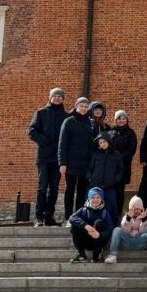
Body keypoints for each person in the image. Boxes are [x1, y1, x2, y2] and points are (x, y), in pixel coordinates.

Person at [28, 88, 68, 226]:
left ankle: (48, 215)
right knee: (43, 186)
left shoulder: (66, 117)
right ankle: (39, 216)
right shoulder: (41, 113)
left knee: (54, 188)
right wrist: (45, 142)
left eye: (60, 96)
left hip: (58, 158)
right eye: (55, 96)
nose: (57, 98)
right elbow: (32, 131)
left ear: (63, 99)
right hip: (44, 157)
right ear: (50, 97)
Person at [58, 96, 93, 224]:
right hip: (71, 163)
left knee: (82, 192)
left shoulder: (89, 123)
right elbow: (62, 144)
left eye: (86, 106)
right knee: (69, 190)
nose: (84, 108)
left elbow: (91, 145)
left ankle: (78, 217)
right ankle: (68, 217)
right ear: (77, 107)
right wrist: (62, 163)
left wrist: (91, 164)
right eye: (81, 106)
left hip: (84, 164)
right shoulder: (68, 121)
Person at [105, 195, 147, 264]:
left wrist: (143, 221)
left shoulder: (145, 218)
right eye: (134, 209)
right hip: (127, 242)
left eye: (138, 209)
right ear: (130, 209)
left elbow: (142, 231)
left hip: (140, 242)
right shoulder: (126, 217)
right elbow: (126, 231)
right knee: (116, 229)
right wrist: (128, 219)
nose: (137, 211)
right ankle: (113, 255)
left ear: (141, 209)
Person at [69, 186, 114, 263]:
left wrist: (99, 235)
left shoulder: (105, 213)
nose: (95, 200)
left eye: (98, 197)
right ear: (89, 198)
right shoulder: (83, 210)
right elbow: (72, 218)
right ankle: (82, 256)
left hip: (98, 242)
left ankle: (96, 256)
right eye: (93, 197)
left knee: (98, 222)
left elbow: (109, 230)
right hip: (86, 240)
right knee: (75, 226)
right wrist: (85, 225)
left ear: (101, 199)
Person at [87, 133, 124, 225]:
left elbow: (121, 169)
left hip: (109, 186)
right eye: (100, 142)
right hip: (96, 186)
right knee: (94, 207)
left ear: (109, 142)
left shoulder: (116, 154)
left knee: (112, 207)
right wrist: (90, 177)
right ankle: (93, 225)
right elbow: (89, 168)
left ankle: (114, 226)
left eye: (104, 141)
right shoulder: (96, 154)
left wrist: (116, 180)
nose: (102, 144)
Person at [111, 110, 137, 214]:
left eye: (123, 118)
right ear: (115, 120)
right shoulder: (111, 132)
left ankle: (117, 214)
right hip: (111, 167)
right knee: (110, 191)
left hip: (123, 167)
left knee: (119, 191)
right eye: (119, 118)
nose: (121, 120)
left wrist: (120, 157)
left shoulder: (130, 133)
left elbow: (132, 149)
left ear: (126, 120)